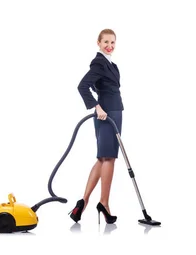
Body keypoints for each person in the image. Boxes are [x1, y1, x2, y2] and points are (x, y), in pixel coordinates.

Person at [72, 29, 122, 224]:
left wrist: (99, 95)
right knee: (109, 159)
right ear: (98, 43)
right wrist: (96, 105)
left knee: (102, 159)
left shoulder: (109, 63)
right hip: (107, 114)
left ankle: (82, 203)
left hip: (113, 113)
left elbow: (98, 85)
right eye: (106, 42)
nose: (110, 45)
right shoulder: (100, 62)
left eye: (113, 42)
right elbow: (83, 86)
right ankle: (104, 204)